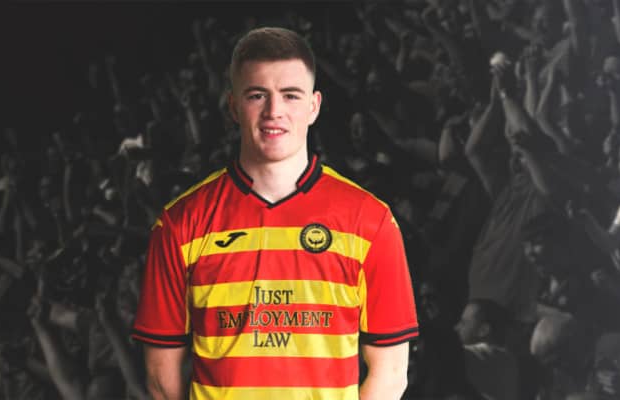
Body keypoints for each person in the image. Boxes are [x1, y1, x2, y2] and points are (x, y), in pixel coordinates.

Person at [132, 27, 419, 400]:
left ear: (314, 106)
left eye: (290, 95)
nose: (273, 112)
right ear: (233, 106)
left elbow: (391, 372)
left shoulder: (370, 220)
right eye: (257, 95)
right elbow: (161, 378)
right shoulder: (180, 223)